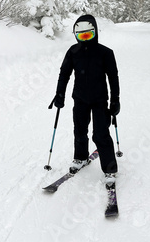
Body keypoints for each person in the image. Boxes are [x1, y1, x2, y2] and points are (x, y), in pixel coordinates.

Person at [51, 14, 120, 182]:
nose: (85, 39)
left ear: (95, 32)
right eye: (81, 36)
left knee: (101, 134)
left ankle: (109, 168)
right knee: (80, 130)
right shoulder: (73, 52)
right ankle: (81, 158)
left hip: (100, 100)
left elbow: (113, 77)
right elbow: (64, 74)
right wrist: (59, 94)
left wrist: (115, 99)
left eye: (88, 35)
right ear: (76, 35)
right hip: (80, 99)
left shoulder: (105, 53)